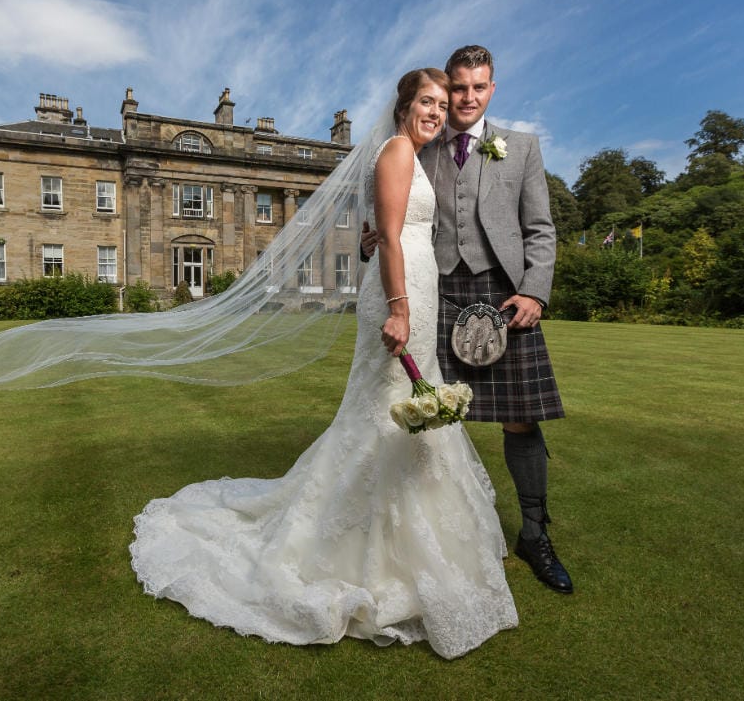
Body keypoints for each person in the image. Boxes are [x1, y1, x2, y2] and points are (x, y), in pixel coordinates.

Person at [130, 68, 518, 660]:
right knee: (383, 410)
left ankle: (416, 540)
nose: (437, 112)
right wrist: (397, 307)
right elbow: (389, 237)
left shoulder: (414, 155)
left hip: (418, 289)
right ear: (404, 105)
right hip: (400, 296)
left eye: (443, 104)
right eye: (427, 102)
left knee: (398, 408)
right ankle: (366, 546)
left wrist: (393, 271)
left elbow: (384, 233)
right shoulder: (394, 151)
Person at [362, 46, 573, 594]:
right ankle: (420, 537)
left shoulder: (520, 147)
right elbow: (396, 214)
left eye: (479, 88)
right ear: (447, 88)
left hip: (505, 297)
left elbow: (541, 229)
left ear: (492, 89)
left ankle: (535, 534)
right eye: (458, 88)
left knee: (521, 418)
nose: (467, 98)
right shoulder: (422, 142)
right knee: (424, 417)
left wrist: (535, 292)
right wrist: (375, 239)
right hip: (436, 289)